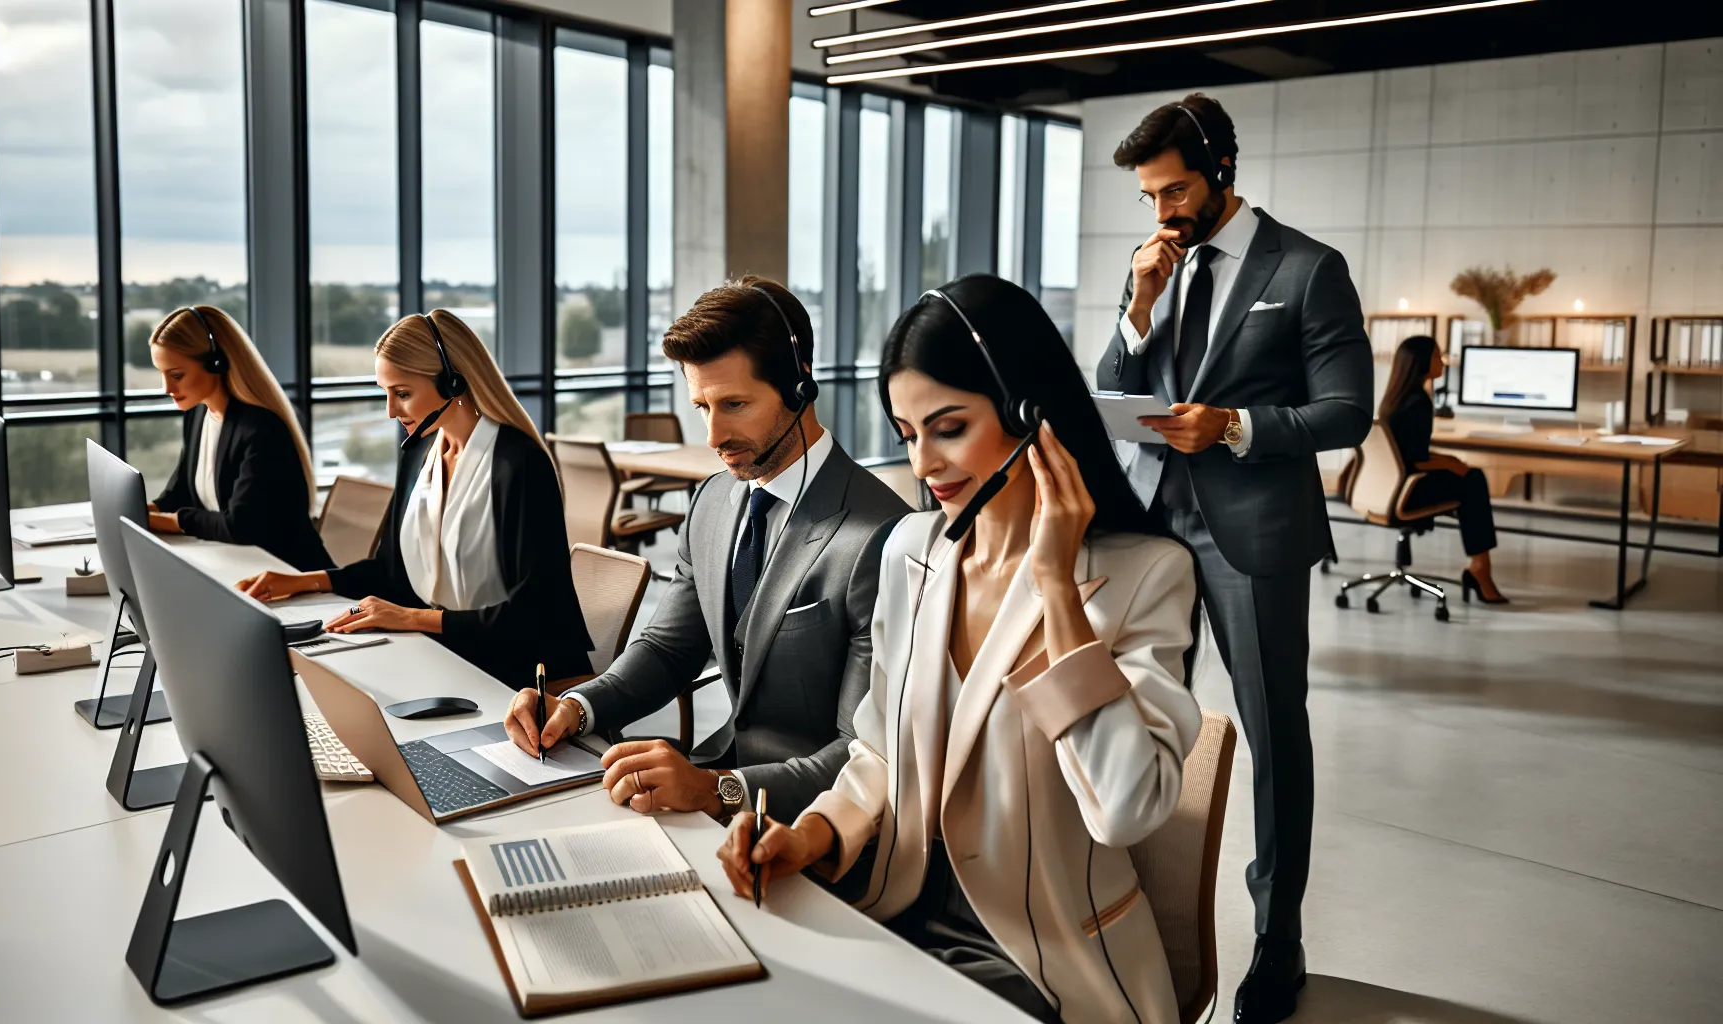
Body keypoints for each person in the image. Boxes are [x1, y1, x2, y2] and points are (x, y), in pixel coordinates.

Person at [718, 276, 1202, 1024]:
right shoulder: (914, 549)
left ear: (1029, 416)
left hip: (1041, 961)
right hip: (894, 917)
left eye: (948, 428)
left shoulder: (1146, 574)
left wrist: (1058, 591)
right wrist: (813, 832)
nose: (922, 466)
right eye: (908, 435)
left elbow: (1126, 809)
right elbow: (880, 752)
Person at [1094, 93, 1374, 1024]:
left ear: (1221, 171)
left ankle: (1275, 942)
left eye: (1175, 190)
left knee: (1269, 736)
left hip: (1251, 535)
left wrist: (1236, 424)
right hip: (1150, 527)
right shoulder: (1156, 267)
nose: (1164, 211)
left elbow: (1345, 413)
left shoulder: (1307, 269)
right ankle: (1130, 920)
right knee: (1138, 725)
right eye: (1149, 196)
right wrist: (1136, 305)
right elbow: (1115, 384)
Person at [508, 276, 909, 826]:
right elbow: (669, 650)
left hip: (810, 826)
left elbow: (860, 753)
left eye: (735, 404)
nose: (714, 435)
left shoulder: (883, 534)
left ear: (800, 386)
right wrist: (576, 709)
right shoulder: (714, 500)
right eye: (701, 406)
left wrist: (714, 790)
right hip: (714, 788)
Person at [236, 309, 592, 686]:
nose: (391, 411)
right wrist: (302, 581)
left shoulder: (518, 464)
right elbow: (390, 570)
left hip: (518, 672)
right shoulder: (421, 453)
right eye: (386, 394)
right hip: (446, 651)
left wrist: (410, 618)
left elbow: (533, 614)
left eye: (402, 394)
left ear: (453, 382)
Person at [146, 305, 333, 572]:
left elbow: (240, 526)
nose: (167, 388)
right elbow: (180, 494)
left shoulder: (260, 429)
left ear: (216, 363)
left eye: (176, 375)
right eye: (161, 374)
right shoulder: (198, 414)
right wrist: (138, 511)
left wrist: (164, 521)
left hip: (287, 574)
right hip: (235, 565)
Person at [1381, 335, 1506, 603]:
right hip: (1409, 490)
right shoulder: (1419, 402)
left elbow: (1407, 452)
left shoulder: (1396, 397)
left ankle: (1480, 567)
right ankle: (1480, 570)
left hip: (1390, 487)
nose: (1443, 361)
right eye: (1438, 356)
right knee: (1473, 480)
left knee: (1467, 475)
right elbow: (1415, 460)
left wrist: (1448, 461)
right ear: (1422, 362)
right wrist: (1451, 464)